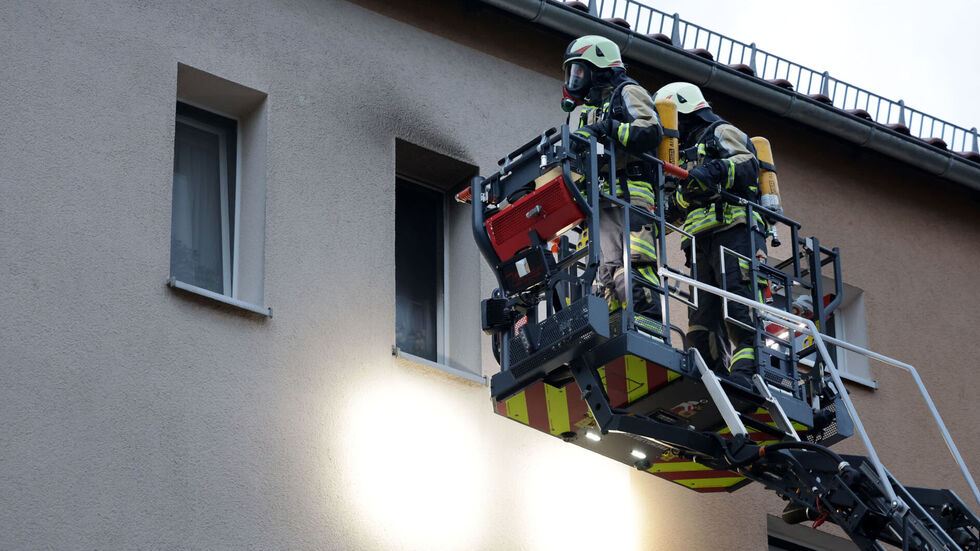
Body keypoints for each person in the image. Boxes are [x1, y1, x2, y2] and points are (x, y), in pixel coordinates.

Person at [653, 82, 766, 381]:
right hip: (699, 243)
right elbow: (679, 204)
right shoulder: (680, 153)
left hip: (733, 230)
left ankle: (748, 369)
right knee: (702, 315)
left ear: (683, 109)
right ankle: (710, 371)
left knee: (738, 300)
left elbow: (746, 164)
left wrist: (710, 172)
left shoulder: (720, 132)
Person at [561, 35, 665, 334]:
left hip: (629, 198)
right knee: (604, 275)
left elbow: (649, 130)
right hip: (600, 203)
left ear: (600, 67)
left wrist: (606, 128)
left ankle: (646, 329)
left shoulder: (628, 92)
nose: (575, 79)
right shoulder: (589, 112)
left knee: (633, 265)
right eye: (572, 73)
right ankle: (613, 331)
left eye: (580, 70)